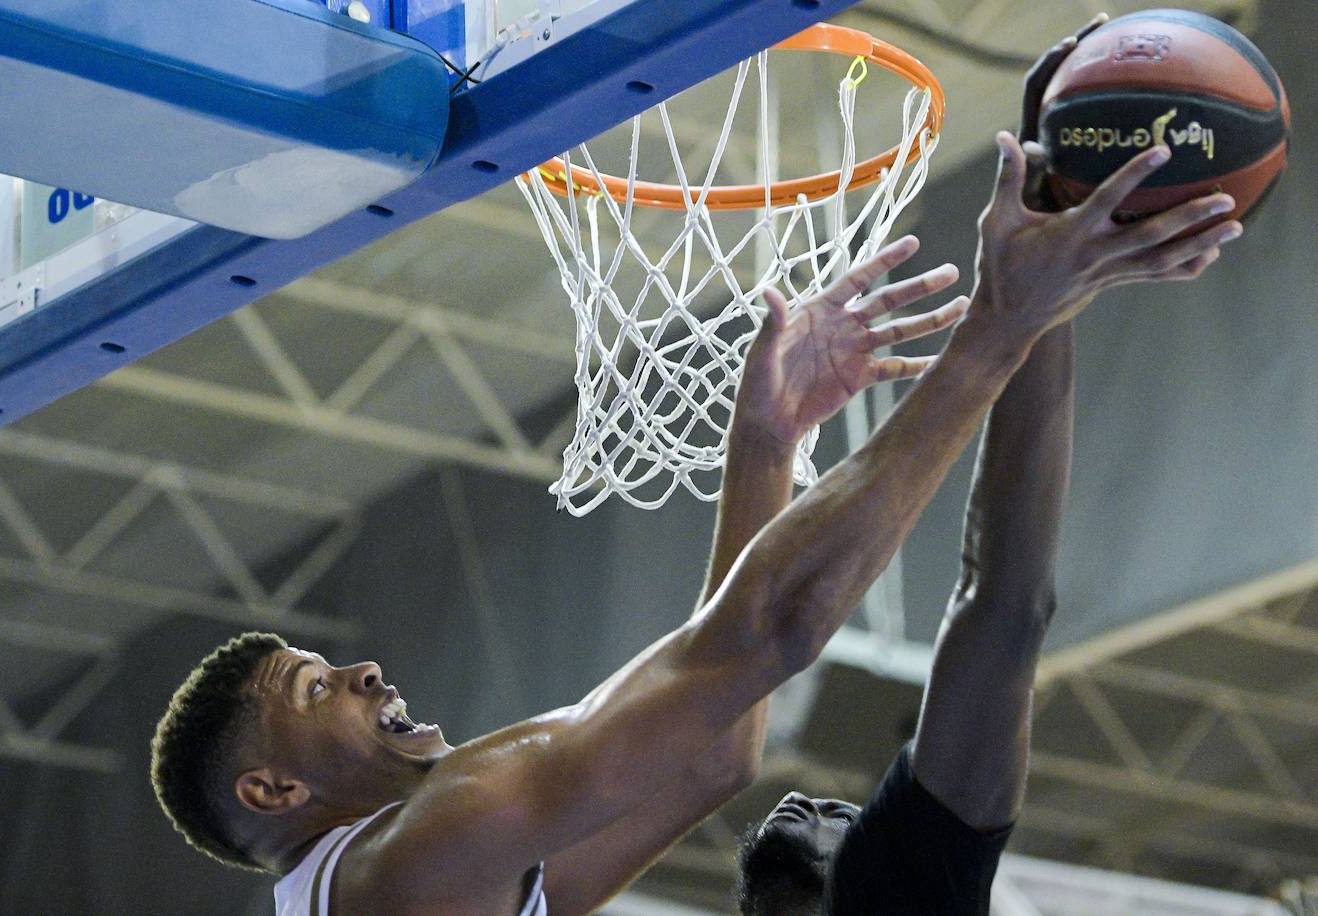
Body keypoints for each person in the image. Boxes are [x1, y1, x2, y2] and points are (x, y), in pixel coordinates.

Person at [150, 18, 1242, 911]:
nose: (364, 674)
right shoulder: (419, 854)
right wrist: (998, 327)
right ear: (273, 786)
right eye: (314, 687)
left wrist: (767, 447)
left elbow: (712, 758)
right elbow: (778, 628)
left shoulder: (424, 879)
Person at [732, 17, 1224, 915]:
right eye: (851, 814)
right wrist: (1030, 299)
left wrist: (765, 443)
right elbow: (1004, 604)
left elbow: (720, 703)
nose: (810, 800)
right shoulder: (896, 894)